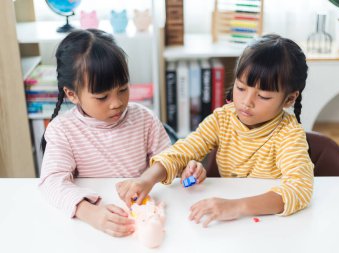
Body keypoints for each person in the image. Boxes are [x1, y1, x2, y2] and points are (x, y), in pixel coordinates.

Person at [116, 34, 314, 227]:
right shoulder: (223, 119)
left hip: (270, 224)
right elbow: (183, 150)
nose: (246, 102)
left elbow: (299, 189)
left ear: (289, 99)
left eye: (263, 96)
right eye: (241, 88)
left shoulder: (289, 134)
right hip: (229, 224)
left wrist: (235, 207)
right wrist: (146, 179)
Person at [38, 29, 171, 237]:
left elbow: (168, 160)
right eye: (102, 97)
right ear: (72, 94)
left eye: (123, 89)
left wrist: (184, 166)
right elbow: (51, 183)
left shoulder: (144, 119)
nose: (117, 103)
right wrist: (90, 213)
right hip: (93, 230)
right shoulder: (63, 130)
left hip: (143, 220)